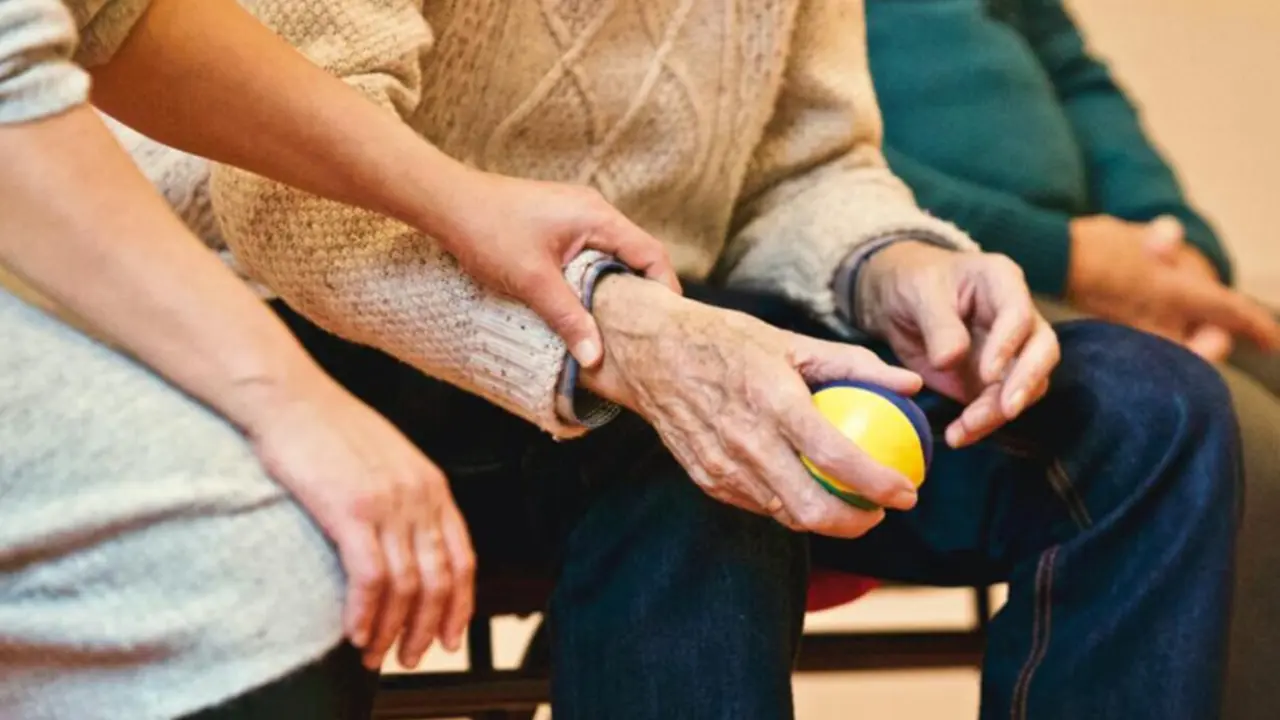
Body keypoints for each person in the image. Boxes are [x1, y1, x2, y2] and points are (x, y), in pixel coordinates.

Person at [127, 0, 1250, 717]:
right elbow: (291, 203)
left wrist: (891, 263)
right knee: (705, 450)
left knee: (1149, 415)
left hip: (681, 320)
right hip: (347, 321)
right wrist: (623, 335)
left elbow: (804, 165)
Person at [0, 0, 675, 718]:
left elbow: (114, 19)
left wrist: (465, 202)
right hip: (235, 291)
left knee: (683, 459)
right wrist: (293, 402)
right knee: (263, 586)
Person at [861, 0, 1280, 715]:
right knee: (1223, 428)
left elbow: (1077, 76)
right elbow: (801, 158)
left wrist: (1177, 258)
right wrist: (1068, 255)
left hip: (1084, 276)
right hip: (909, 279)